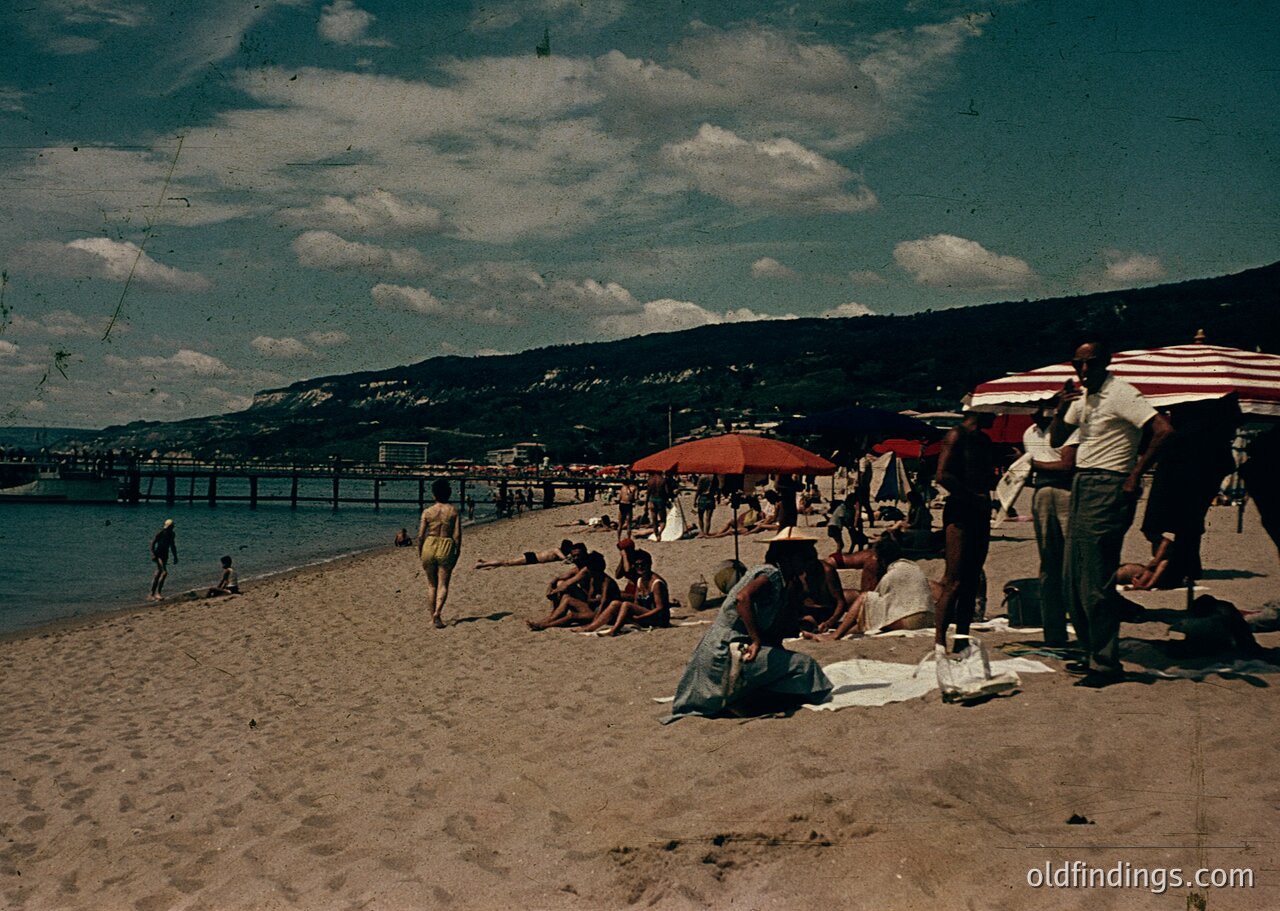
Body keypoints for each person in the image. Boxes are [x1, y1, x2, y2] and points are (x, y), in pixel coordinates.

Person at [1056, 335, 1173, 684]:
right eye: (1078, 363)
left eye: (1090, 362)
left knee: (1095, 578)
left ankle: (1105, 664)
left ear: (1105, 362)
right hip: (1083, 483)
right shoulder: (1087, 398)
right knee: (1072, 578)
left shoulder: (1121, 392)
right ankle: (1092, 652)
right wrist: (1061, 407)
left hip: (1109, 483)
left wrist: (1135, 474)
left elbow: (1163, 430)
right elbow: (1055, 438)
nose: (1084, 369)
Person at [664, 530, 834, 722]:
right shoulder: (772, 574)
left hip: (716, 646)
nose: (807, 564)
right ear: (791, 557)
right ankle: (745, 704)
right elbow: (743, 597)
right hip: (727, 648)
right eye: (805, 558)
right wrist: (755, 640)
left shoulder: (774, 575)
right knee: (806, 667)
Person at [934, 410, 995, 649]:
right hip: (961, 508)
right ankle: (939, 641)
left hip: (978, 508)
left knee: (972, 579)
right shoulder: (956, 435)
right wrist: (971, 497)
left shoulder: (984, 440)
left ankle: (962, 639)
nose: (997, 416)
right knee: (954, 579)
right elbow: (942, 475)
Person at [1023, 403, 1079, 647]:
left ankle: (1079, 627)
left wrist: (1032, 465)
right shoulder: (1029, 433)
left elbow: (1067, 466)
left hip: (1065, 490)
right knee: (1049, 563)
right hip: (1042, 490)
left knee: (1072, 562)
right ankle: (1054, 632)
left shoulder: (1069, 429)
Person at [807, 536, 939, 639]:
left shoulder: (891, 575)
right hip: (928, 618)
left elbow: (872, 603)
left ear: (881, 559)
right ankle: (838, 633)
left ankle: (835, 635)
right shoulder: (912, 567)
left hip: (912, 621)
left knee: (865, 599)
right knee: (868, 622)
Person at [528, 551, 620, 630]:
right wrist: (597, 600)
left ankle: (544, 625)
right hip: (594, 608)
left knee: (572, 616)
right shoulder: (594, 579)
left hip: (604, 612)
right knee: (567, 599)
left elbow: (603, 605)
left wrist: (595, 622)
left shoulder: (606, 582)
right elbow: (590, 599)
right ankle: (548, 620)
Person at [417, 479, 462, 628]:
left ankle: (432, 618)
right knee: (443, 584)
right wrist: (457, 551)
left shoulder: (427, 512)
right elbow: (457, 535)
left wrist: (420, 551)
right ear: (448, 493)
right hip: (446, 543)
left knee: (431, 585)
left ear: (433, 494)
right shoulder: (453, 511)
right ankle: (438, 612)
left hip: (429, 544)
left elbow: (420, 536)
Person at [593, 549, 672, 635]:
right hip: (645, 615)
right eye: (637, 565)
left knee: (627, 605)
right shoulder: (640, 580)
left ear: (649, 564)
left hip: (659, 620)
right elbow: (636, 602)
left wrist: (640, 617)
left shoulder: (656, 583)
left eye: (642, 564)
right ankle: (591, 627)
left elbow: (660, 608)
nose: (640, 567)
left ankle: (614, 630)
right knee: (615, 603)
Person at [474, 538, 575, 570]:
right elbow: (564, 559)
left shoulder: (557, 550)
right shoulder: (557, 551)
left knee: (507, 562)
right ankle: (483, 564)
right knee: (507, 562)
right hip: (532, 558)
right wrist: (572, 558)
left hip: (532, 557)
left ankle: (485, 561)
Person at [149, 518, 178, 601]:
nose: (172, 528)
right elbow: (153, 542)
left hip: (165, 555)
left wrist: (175, 556)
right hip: (158, 554)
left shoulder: (172, 534)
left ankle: (152, 593)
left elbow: (172, 545)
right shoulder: (161, 533)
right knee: (164, 573)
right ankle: (158, 593)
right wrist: (153, 554)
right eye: (171, 526)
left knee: (158, 573)